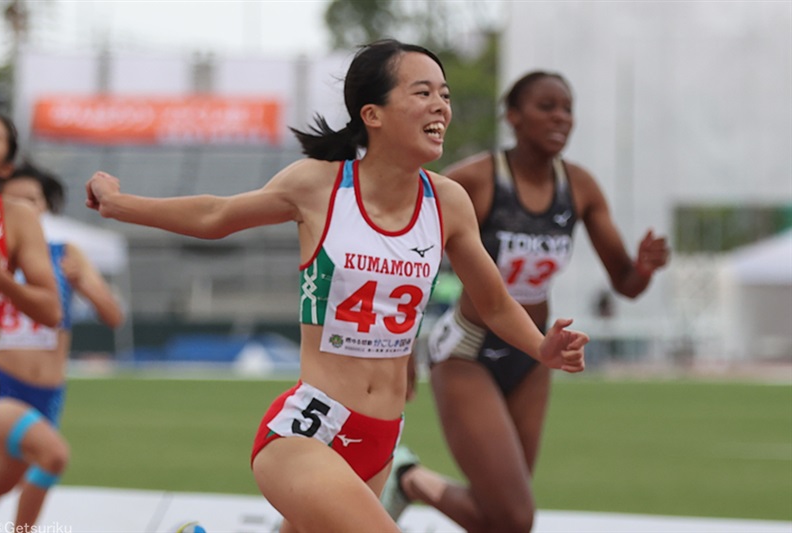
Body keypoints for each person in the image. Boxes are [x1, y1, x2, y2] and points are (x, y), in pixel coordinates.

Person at [84, 42, 588, 533]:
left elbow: (496, 302)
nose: (440, 106)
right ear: (373, 114)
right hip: (308, 432)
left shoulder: (448, 203)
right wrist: (119, 203)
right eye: (422, 93)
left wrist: (542, 347)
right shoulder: (318, 185)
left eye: (446, 94)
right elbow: (216, 215)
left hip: (382, 439)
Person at [380, 71, 670, 532]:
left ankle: (410, 480)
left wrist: (646, 267)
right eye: (546, 106)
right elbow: (413, 260)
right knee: (515, 516)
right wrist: (403, 346)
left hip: (533, 353)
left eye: (567, 108)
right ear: (513, 117)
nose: (560, 118)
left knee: (503, 516)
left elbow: (626, 284)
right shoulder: (475, 181)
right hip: (467, 351)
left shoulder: (579, 187)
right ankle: (408, 478)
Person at [0, 161, 124, 528]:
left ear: (45, 207)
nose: (23, 208)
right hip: (2, 386)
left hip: (48, 393)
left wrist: (81, 282)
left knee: (3, 485)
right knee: (52, 456)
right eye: (13, 199)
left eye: (32, 200)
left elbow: (114, 317)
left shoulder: (65, 254)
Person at [0, 111, 63, 507]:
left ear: (5, 165)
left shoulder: (15, 218)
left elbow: (51, 310)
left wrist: (0, 277)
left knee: (50, 456)